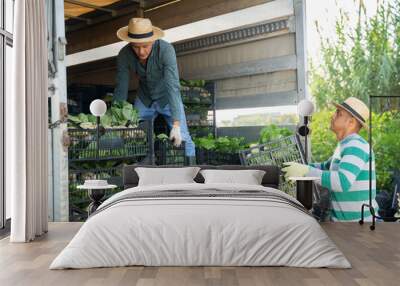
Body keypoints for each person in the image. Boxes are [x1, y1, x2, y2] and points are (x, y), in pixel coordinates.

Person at [113, 17, 196, 164]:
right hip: (145, 98)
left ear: (153, 40)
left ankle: (192, 173)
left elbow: (173, 86)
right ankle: (142, 169)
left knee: (183, 138)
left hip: (167, 98)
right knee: (134, 136)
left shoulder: (166, 50)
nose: (141, 51)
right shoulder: (124, 55)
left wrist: (176, 125)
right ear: (130, 43)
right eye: (136, 47)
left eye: (145, 46)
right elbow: (121, 88)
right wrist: (116, 119)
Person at [283, 97, 378, 221]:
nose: (332, 116)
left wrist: (305, 171)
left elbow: (342, 181)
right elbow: (325, 166)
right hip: (343, 223)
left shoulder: (356, 145)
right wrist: (298, 165)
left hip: (358, 226)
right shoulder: (344, 145)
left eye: (339, 113)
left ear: (351, 122)